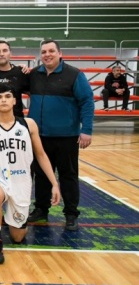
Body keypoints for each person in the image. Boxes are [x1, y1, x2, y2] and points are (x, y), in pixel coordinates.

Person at [0, 83, 60, 264]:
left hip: (21, 181)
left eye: (7, 96)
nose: (4, 100)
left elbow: (41, 155)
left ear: (15, 101)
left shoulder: (28, 124)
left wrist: (54, 183)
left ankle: (9, 220)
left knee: (18, 237)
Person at [27, 39, 94, 231]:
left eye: (51, 51)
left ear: (60, 53)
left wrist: (86, 130)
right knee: (40, 175)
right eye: (44, 52)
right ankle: (41, 209)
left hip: (66, 137)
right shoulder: (34, 75)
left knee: (68, 175)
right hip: (39, 137)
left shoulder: (74, 75)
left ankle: (71, 214)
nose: (47, 54)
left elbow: (87, 102)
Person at [0, 40, 30, 120]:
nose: (1, 54)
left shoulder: (21, 73)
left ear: (10, 53)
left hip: (16, 124)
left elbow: (33, 94)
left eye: (5, 50)